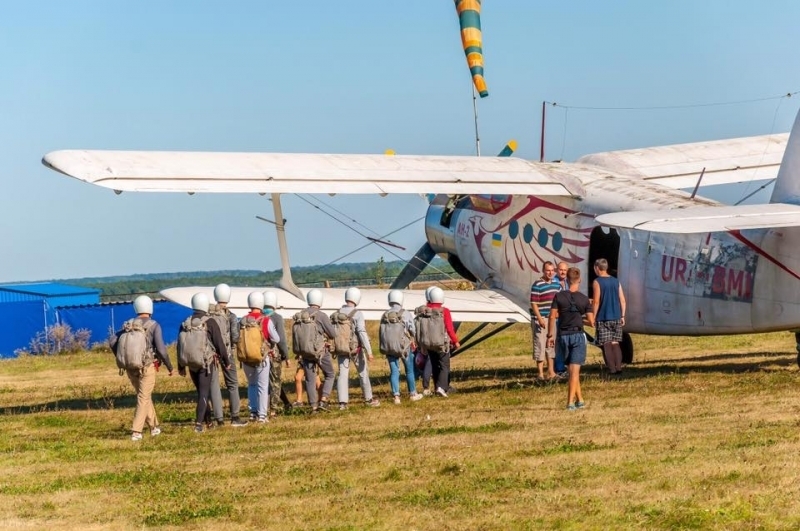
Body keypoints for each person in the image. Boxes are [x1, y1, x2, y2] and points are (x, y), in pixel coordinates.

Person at [110, 295, 174, 441]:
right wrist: (170, 367)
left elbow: (112, 341)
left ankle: (154, 427)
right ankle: (136, 431)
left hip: (130, 367)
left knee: (144, 396)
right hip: (147, 366)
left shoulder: (128, 325)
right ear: (150, 308)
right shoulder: (153, 325)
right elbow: (162, 350)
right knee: (143, 397)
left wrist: (121, 357)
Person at [177, 292, 231, 433]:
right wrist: (226, 360)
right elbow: (219, 344)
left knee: (201, 392)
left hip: (191, 363)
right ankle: (198, 424)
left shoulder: (186, 323)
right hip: (206, 363)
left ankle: (208, 422)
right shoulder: (210, 321)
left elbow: (180, 345)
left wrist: (181, 365)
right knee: (204, 394)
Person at [547, 267, 594, 410]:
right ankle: (570, 403)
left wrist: (550, 335)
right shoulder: (584, 299)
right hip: (578, 336)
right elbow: (592, 322)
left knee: (572, 371)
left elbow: (552, 316)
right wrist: (580, 319)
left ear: (566, 280)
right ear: (579, 280)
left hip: (563, 336)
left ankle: (580, 400)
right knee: (575, 371)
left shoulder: (558, 296)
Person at [334, 287, 380, 409]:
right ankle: (368, 398)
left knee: (342, 374)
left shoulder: (337, 313)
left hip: (341, 348)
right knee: (363, 373)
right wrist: (369, 351)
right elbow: (362, 332)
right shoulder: (357, 314)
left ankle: (342, 403)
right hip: (356, 349)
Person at [239, 291, 281, 423]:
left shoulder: (242, 320)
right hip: (262, 357)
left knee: (251, 385)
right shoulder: (265, 320)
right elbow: (276, 338)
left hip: (246, 358)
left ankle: (253, 412)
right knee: (263, 386)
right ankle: (262, 415)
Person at [295, 289, 337, 413]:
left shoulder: (301, 315)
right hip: (320, 351)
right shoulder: (321, 315)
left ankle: (313, 406)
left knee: (310, 379)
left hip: (305, 352)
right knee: (330, 374)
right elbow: (332, 334)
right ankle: (323, 399)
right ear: (320, 301)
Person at [210, 283, 247, 426]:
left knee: (214, 385)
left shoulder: (209, 315)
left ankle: (218, 419)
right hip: (227, 353)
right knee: (232, 384)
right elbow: (235, 336)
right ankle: (235, 417)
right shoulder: (231, 316)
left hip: (211, 355)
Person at [382, 289, 423, 404]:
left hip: (390, 348)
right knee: (409, 371)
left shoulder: (384, 315)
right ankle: (413, 393)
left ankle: (396, 396)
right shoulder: (405, 313)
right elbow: (412, 329)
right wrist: (414, 339)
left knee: (394, 371)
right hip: (404, 347)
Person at [421, 287, 460, 398]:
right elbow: (449, 328)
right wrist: (455, 341)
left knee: (434, 365)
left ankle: (436, 387)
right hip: (442, 344)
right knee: (444, 366)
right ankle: (442, 388)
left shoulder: (425, 310)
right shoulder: (445, 311)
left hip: (429, 343)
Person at [592, 258, 627, 375]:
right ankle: (619, 367)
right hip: (616, 316)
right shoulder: (616, 281)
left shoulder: (597, 282)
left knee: (607, 345)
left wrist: (593, 316)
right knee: (616, 344)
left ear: (597, 268)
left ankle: (612, 368)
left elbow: (596, 301)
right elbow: (622, 300)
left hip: (603, 317)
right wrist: (622, 315)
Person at [263, 290, 292, 416]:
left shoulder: (259, 317)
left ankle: (263, 408)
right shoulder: (277, 318)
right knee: (275, 381)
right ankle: (273, 409)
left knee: (264, 382)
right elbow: (281, 340)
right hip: (274, 354)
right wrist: (286, 356)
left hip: (260, 354)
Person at [530, 261, 560, 381]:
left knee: (551, 344)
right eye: (548, 270)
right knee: (540, 344)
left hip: (552, 318)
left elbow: (558, 301)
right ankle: (540, 373)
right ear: (543, 271)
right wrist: (539, 318)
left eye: (552, 270)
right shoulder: (537, 284)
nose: (550, 273)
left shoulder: (556, 285)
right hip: (541, 319)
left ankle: (551, 372)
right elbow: (534, 303)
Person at [553, 261, 570, 375]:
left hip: (566, 316)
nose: (563, 272)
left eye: (565, 270)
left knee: (566, 341)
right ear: (556, 270)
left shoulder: (568, 282)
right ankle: (559, 367)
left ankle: (565, 364)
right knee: (558, 341)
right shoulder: (553, 282)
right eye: (561, 270)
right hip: (557, 316)